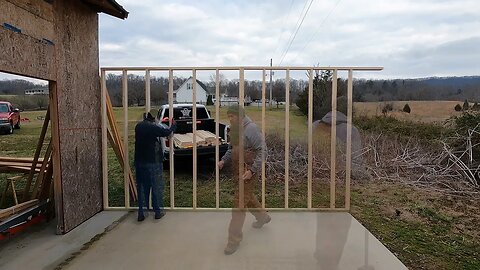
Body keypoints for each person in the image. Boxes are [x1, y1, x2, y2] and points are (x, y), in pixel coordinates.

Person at [218, 105, 270, 255]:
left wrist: (252, 171)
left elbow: (263, 150)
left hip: (249, 172)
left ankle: (233, 241)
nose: (230, 119)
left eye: (232, 116)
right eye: (229, 117)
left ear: (240, 116)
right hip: (238, 171)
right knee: (247, 198)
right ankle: (263, 216)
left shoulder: (251, 129)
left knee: (239, 204)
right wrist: (223, 161)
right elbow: (230, 149)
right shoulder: (235, 129)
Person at [134, 111, 176, 221]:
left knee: (142, 187)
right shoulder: (153, 127)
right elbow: (167, 132)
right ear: (154, 118)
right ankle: (158, 212)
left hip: (139, 161)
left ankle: (141, 213)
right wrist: (173, 126)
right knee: (156, 186)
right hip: (153, 161)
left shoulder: (138, 126)